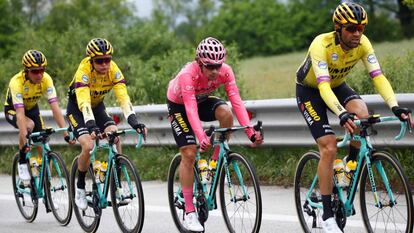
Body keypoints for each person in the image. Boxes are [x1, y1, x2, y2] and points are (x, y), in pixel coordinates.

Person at [295, 2, 413, 233]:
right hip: (311, 90)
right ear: (338, 28)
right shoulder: (321, 44)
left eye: (361, 28)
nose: (357, 33)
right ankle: (327, 214)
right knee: (328, 147)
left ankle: (349, 167)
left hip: (337, 86)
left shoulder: (363, 44)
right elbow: (323, 86)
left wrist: (395, 106)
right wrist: (340, 113)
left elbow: (378, 77)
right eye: (351, 28)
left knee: (362, 113)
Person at [167, 37, 264, 231]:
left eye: (218, 66)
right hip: (180, 105)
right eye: (210, 66)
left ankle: (214, 162)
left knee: (226, 113)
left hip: (202, 100)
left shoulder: (225, 71)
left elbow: (236, 101)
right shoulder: (188, 74)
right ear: (199, 63)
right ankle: (189, 210)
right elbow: (190, 109)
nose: (215, 71)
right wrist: (201, 137)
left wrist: (250, 132)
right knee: (189, 152)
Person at [66, 38, 147, 210]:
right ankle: (80, 187)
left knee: (115, 135)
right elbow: (84, 103)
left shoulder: (113, 70)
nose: (104, 64)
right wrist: (91, 126)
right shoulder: (84, 72)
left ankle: (116, 187)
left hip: (97, 107)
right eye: (99, 61)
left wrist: (134, 121)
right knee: (88, 145)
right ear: (91, 60)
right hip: (78, 109)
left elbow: (123, 98)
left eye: (107, 59)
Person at [4, 50, 74, 183]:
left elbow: (55, 108)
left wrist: (65, 132)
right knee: (28, 125)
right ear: (26, 71)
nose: (39, 74)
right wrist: (25, 140)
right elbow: (20, 114)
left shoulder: (46, 79)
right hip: (13, 110)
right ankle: (23, 161)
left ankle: (46, 184)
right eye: (35, 71)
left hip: (32, 109)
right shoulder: (16, 82)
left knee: (43, 144)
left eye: (42, 70)